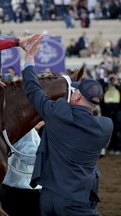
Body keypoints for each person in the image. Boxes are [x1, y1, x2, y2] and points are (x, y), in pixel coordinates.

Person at [21, 35, 113, 216]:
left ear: (77, 96)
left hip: (47, 198)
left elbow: (32, 89)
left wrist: (30, 58)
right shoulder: (105, 126)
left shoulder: (58, 112)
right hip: (77, 199)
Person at [0, 128, 42, 216]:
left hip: (8, 188)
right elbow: (31, 159)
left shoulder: (8, 129)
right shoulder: (28, 131)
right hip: (25, 193)